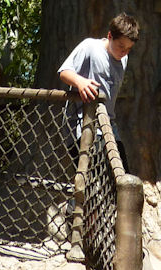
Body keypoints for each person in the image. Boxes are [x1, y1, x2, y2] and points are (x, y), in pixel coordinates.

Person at [58, 12, 140, 171]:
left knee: (123, 177)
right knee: (92, 178)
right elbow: (64, 72)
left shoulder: (124, 59)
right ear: (109, 36)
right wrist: (80, 81)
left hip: (108, 126)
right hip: (81, 125)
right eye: (121, 46)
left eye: (129, 49)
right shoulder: (90, 47)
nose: (124, 52)